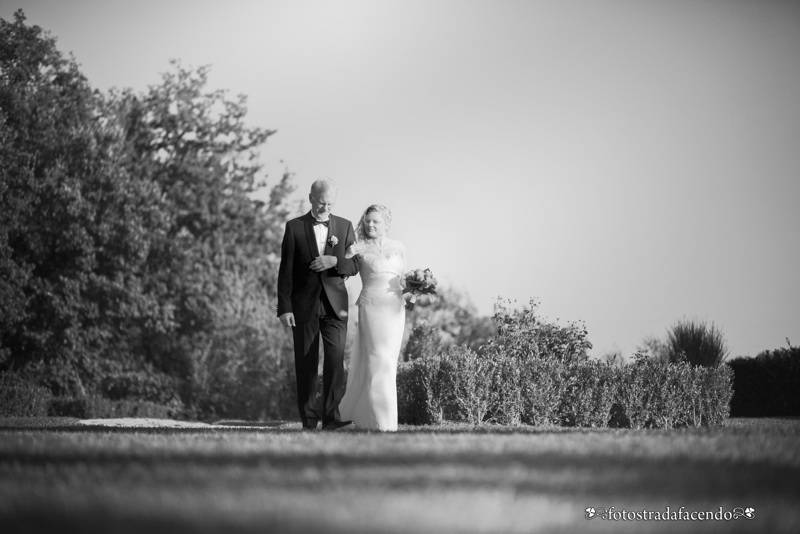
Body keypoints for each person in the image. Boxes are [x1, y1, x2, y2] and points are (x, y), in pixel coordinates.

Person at [277, 179, 360, 431]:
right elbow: (285, 271)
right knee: (306, 363)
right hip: (303, 306)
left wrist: (333, 260)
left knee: (335, 361)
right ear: (311, 197)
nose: (326, 207)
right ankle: (309, 420)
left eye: (331, 203)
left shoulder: (345, 227)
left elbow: (354, 266)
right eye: (322, 202)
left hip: (336, 307)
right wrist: (284, 307)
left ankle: (332, 419)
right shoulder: (294, 227)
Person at [339, 204, 407, 431]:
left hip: (396, 309)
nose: (370, 225)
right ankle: (380, 421)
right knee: (377, 358)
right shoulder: (359, 248)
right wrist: (345, 256)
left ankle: (378, 417)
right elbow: (343, 270)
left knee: (389, 361)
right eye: (367, 221)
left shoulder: (399, 247)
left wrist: (415, 290)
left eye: (375, 221)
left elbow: (403, 280)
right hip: (371, 306)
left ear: (386, 223)